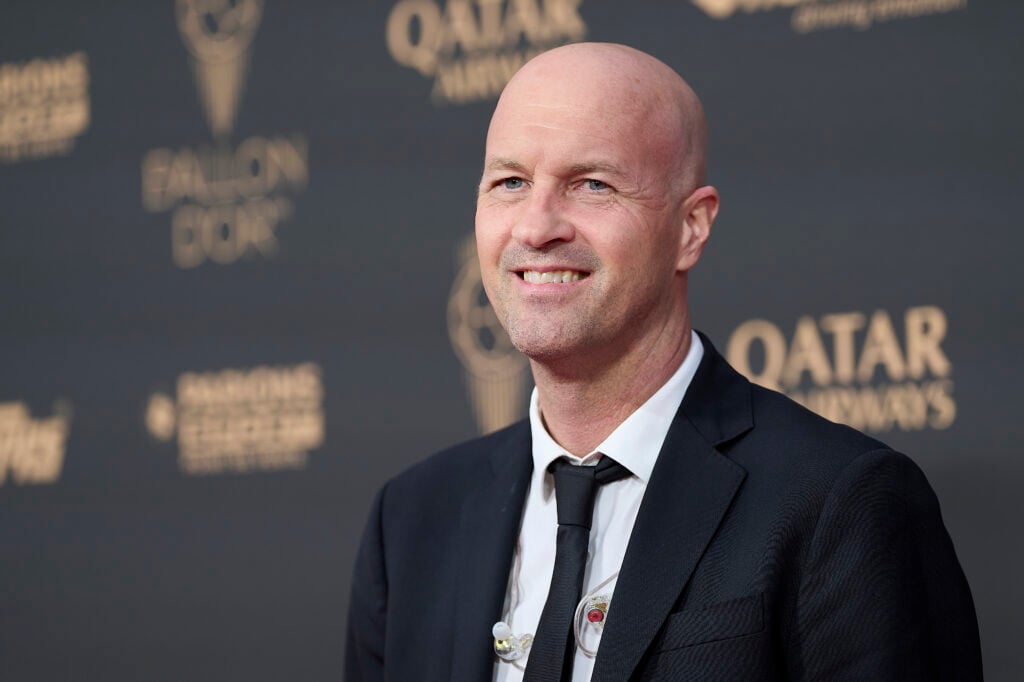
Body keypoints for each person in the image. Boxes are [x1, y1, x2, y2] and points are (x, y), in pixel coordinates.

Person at [344, 42, 982, 681]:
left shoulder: (839, 502)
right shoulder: (410, 523)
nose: (536, 227)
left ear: (691, 228)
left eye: (592, 184)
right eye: (510, 182)